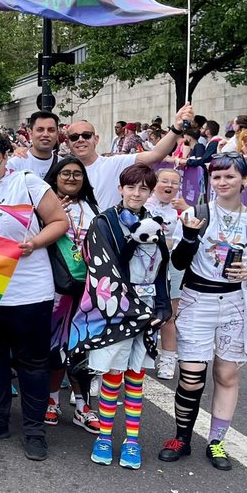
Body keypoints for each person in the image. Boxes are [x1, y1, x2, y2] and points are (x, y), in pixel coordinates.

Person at [160, 152, 247, 471]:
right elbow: (178, 263)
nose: (223, 182)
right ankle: (182, 438)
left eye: (229, 176)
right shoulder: (196, 213)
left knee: (226, 374)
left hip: (236, 304)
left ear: (244, 179)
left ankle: (217, 442)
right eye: (216, 177)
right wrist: (188, 236)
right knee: (191, 377)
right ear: (209, 180)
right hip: (197, 301)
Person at [0, 132, 68, 461]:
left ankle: (35, 430)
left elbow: (59, 221)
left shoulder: (27, 182)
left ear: (5, 156)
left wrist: (34, 243)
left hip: (29, 290)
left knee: (33, 363)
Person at [71, 165, 171, 470]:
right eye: (131, 187)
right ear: (121, 188)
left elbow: (162, 268)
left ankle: (131, 440)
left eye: (143, 189)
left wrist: (163, 306)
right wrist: (131, 307)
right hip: (115, 310)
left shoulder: (154, 223)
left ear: (150, 192)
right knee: (113, 375)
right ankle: (104, 436)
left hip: (146, 308)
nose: (136, 194)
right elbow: (103, 269)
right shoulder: (103, 222)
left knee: (136, 376)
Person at [42, 156, 100, 434]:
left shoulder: (92, 208)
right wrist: (47, 217)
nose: (72, 178)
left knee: (81, 349)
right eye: (65, 173)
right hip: (56, 289)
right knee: (55, 348)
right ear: (55, 177)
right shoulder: (44, 204)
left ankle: (82, 406)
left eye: (78, 174)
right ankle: (51, 401)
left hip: (87, 290)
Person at [60, 103, 194, 210]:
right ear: (67, 143)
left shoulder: (114, 163)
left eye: (86, 135)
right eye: (74, 137)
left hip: (105, 237)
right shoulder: (59, 171)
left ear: (96, 139)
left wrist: (176, 128)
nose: (80, 140)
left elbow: (156, 155)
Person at [147, 168, 187, 381]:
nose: (169, 186)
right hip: (144, 264)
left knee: (169, 315)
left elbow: (182, 242)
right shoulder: (144, 204)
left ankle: (168, 359)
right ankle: (141, 355)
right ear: (155, 183)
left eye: (174, 183)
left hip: (172, 265)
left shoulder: (182, 210)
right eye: (164, 181)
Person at [8, 111, 62, 177]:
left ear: (57, 134)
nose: (45, 134)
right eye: (40, 130)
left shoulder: (63, 164)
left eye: (51, 130)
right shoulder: (15, 164)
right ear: (30, 132)